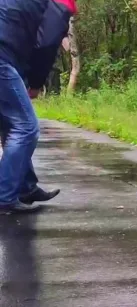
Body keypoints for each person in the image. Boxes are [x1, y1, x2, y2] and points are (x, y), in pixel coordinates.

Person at [0, 0, 77, 213]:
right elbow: (46, 44)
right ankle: (4, 197)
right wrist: (35, 82)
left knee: (11, 123)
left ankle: (26, 188)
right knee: (25, 127)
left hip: (7, 56)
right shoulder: (61, 2)